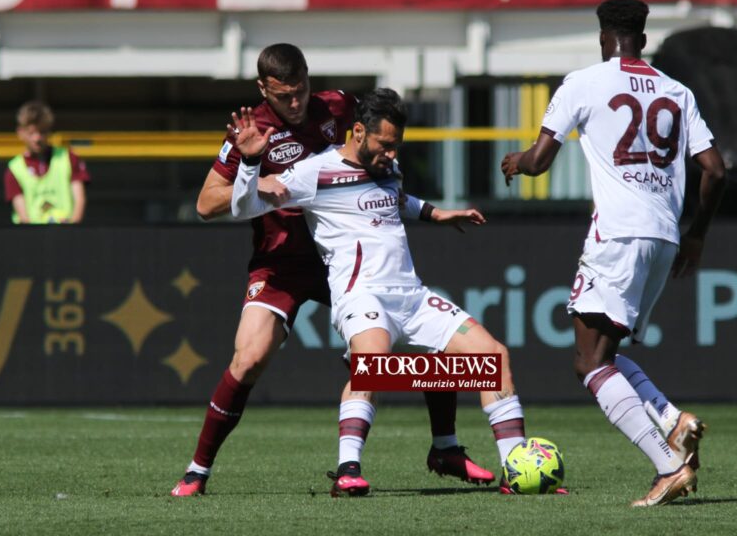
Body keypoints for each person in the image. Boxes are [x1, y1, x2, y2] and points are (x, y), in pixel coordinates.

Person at [171, 45, 491, 497]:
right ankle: (197, 470)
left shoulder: (337, 107)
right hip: (280, 261)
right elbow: (206, 203)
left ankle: (445, 447)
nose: (296, 103)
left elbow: (372, 167)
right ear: (264, 90)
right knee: (249, 359)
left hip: (338, 255)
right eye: (284, 96)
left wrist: (429, 211)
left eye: (301, 90)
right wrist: (253, 175)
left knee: (416, 338)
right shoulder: (252, 130)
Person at [231, 88, 540, 496]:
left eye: (397, 147)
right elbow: (243, 207)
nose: (392, 155)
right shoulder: (315, 172)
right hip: (362, 295)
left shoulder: (386, 167)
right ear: (357, 131)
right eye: (385, 145)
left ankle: (517, 472)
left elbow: (396, 199)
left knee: (493, 358)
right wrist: (251, 162)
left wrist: (436, 213)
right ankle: (347, 470)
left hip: (411, 296)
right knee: (372, 363)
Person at [501, 0, 726, 507]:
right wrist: (698, 235)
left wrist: (515, 161)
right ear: (642, 40)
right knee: (608, 355)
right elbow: (716, 170)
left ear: (604, 38)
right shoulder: (677, 91)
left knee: (589, 362)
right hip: (665, 237)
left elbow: (538, 162)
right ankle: (673, 420)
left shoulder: (584, 82)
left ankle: (668, 465)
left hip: (618, 234)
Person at [4, 101, 89, 224]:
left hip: (67, 235)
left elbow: (79, 200)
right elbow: (23, 217)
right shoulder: (14, 169)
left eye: (42, 132)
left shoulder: (68, 158)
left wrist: (72, 230)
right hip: (32, 237)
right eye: (31, 132)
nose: (37, 138)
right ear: (20, 132)